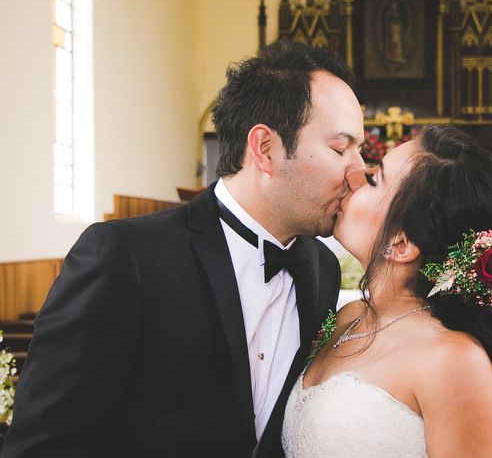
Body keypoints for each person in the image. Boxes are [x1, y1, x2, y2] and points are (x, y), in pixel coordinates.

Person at [1, 41, 365, 458]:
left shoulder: (320, 269)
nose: (357, 172)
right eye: (341, 149)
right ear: (265, 148)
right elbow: (43, 446)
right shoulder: (125, 258)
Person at [282, 125, 492, 457]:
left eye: (373, 179)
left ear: (401, 243)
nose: (355, 176)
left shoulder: (455, 363)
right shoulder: (348, 317)